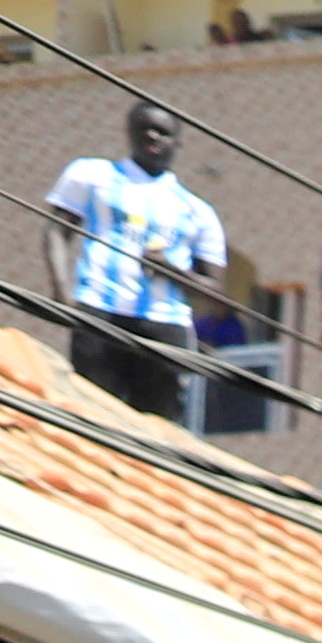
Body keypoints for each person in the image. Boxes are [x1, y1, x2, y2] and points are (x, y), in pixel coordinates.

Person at [42, 103, 219, 427]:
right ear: (129, 133)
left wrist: (174, 272)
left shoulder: (196, 210)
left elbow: (214, 288)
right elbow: (56, 230)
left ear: (178, 141)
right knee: (92, 417)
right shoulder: (93, 176)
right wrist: (62, 293)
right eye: (144, 128)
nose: (153, 136)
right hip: (99, 311)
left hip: (164, 324)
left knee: (159, 429)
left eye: (164, 132)